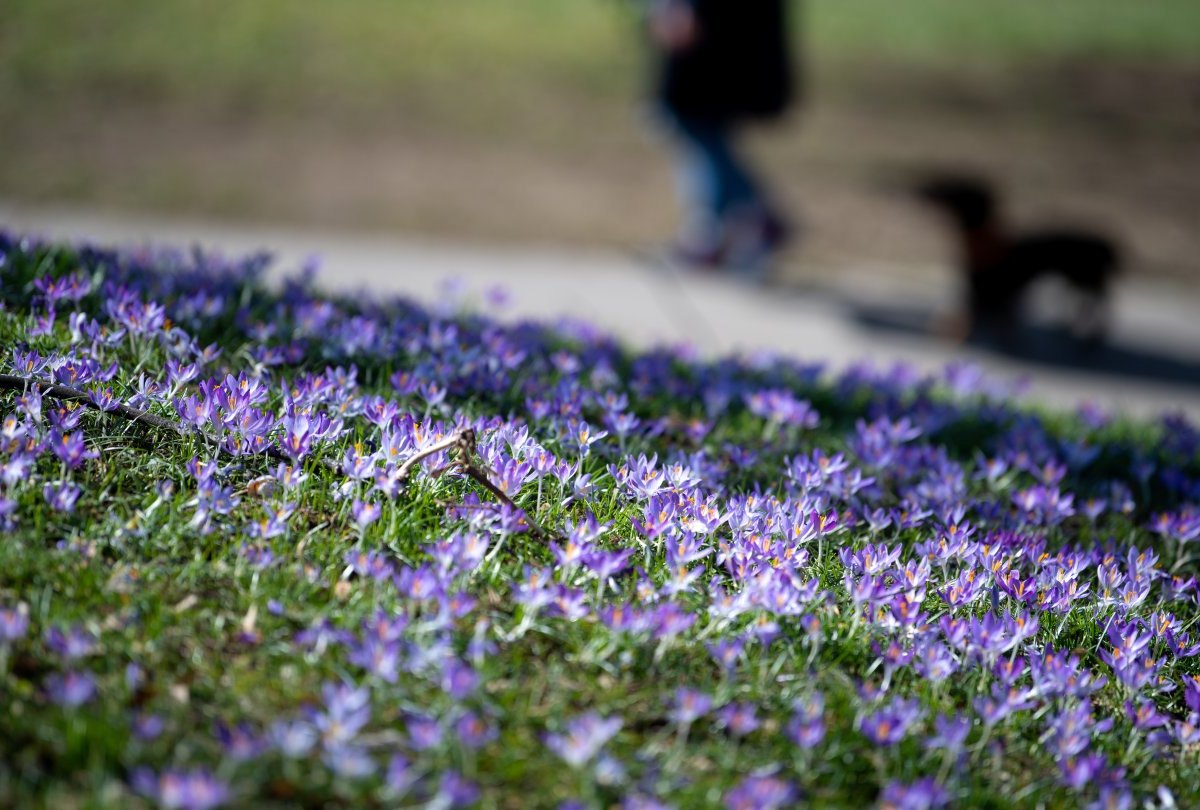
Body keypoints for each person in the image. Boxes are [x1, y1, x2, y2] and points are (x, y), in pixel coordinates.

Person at [648, 0, 798, 273]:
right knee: (700, 127)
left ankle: (714, 231)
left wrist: (684, 8)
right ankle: (729, 226)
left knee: (689, 120)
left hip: (717, 31)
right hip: (729, 33)